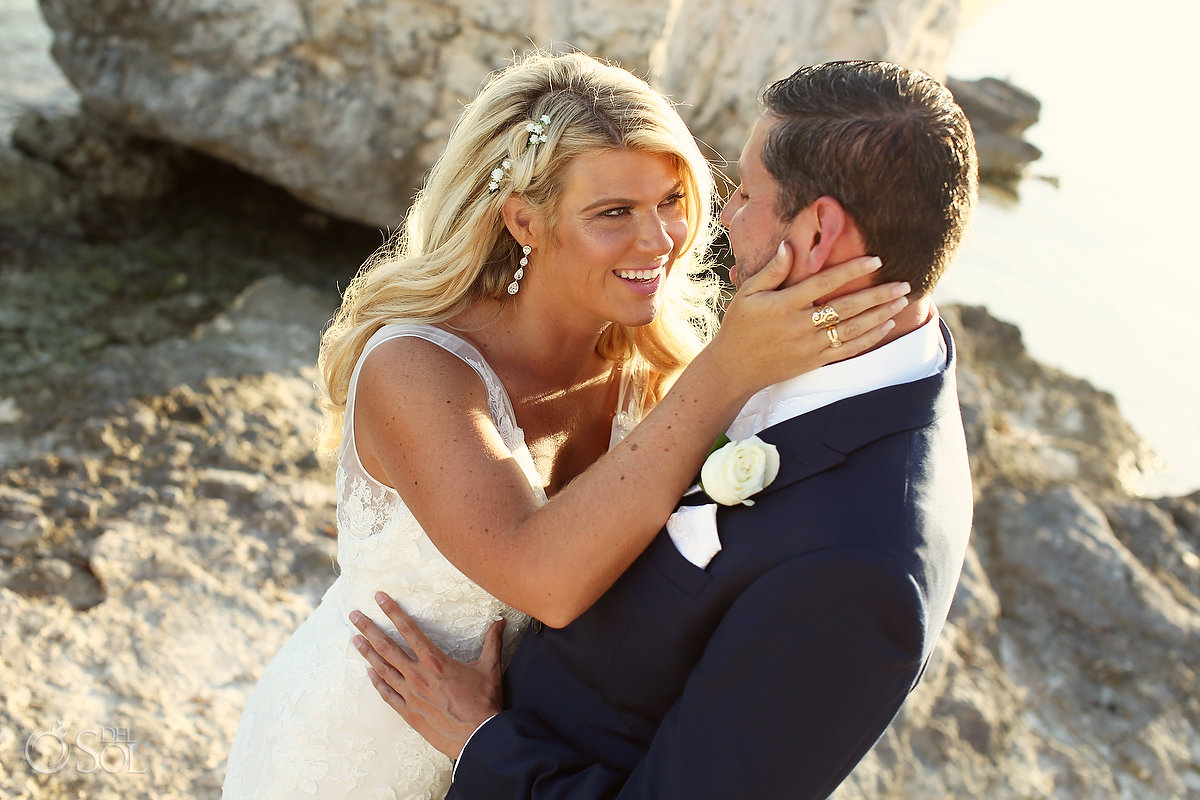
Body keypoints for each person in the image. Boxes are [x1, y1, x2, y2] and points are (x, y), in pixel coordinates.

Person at [220, 52, 905, 799]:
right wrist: (729, 371)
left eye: (672, 200)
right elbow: (542, 577)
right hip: (359, 745)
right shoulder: (415, 367)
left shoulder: (656, 372)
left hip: (516, 756)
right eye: (614, 213)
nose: (660, 241)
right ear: (524, 220)